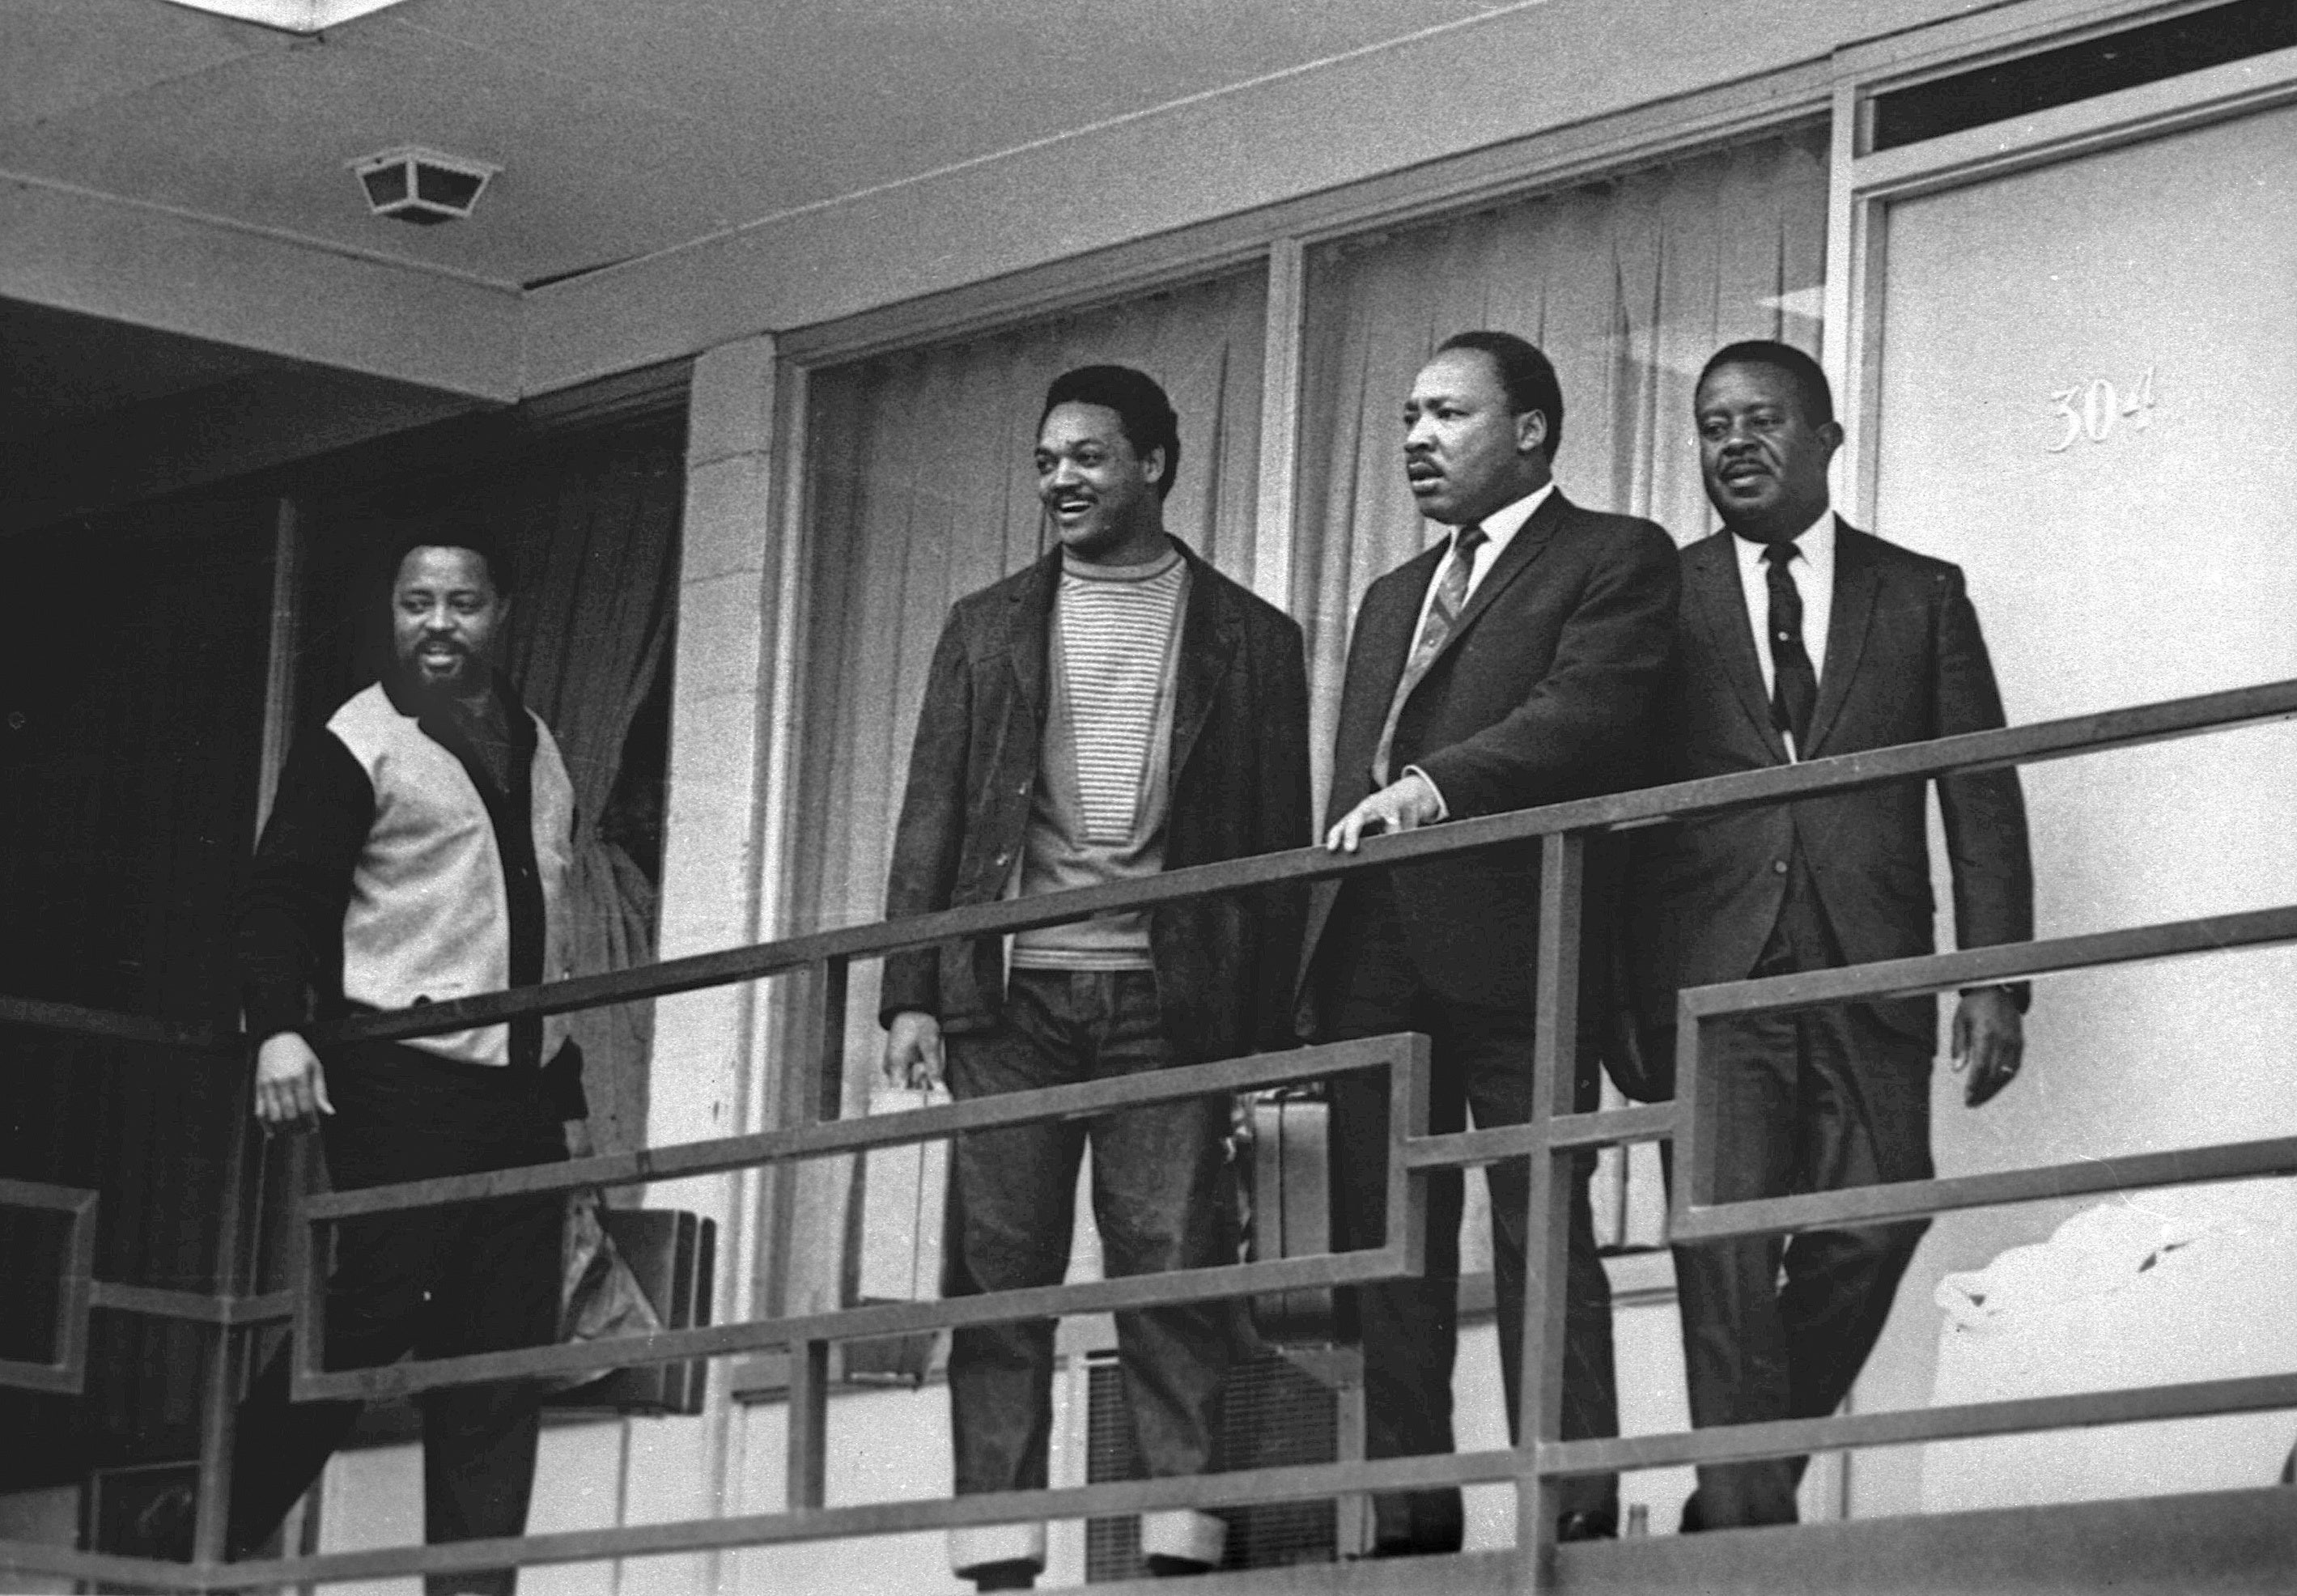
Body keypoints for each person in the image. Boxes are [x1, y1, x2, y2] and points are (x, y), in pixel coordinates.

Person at [880, 365, 1310, 1590]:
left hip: (1169, 1007)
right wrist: (911, 989)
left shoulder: (1251, 635)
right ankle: (998, 1554)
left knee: (1172, 1271)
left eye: (1087, 457)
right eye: (1045, 460)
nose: (1060, 480)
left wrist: (1263, 1034)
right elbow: (933, 813)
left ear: (1155, 465)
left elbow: (1275, 846)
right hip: (1008, 1004)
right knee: (995, 1275)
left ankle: (1179, 1542)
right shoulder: (983, 624)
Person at [1627, 339, 2032, 1530]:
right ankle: (1748, 1537)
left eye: (1759, 420)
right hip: (1711, 978)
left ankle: (1732, 1501)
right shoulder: (1662, 597)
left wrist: (1992, 979)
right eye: (1711, 426)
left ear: (1824, 439)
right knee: (1723, 1254)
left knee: (1878, 1214)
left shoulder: (1920, 593)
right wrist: (1618, 1006)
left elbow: (1977, 791)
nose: (1733, 443)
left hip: (1871, 961)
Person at [1297, 331, 1679, 1554]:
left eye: (1447, 415)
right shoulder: (1386, 597)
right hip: (1373, 954)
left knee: (1541, 1237)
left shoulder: (1613, 555)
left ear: (1528, 430)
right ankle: (1409, 1523)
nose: (1415, 438)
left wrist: (1429, 789)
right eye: (1407, 414)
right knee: (1387, 1253)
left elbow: (1585, 716)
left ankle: (1567, 1515)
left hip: (1527, 942)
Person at [189, 535, 586, 1594]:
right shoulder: (355, 740)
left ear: (501, 612)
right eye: (417, 603)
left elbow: (546, 914)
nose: (439, 623)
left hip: (523, 1090)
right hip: (404, 1074)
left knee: (497, 1363)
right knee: (370, 1318)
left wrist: (564, 1078)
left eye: (462, 601)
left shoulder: (541, 743)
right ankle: (196, 1536)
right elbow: (280, 899)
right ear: (393, 614)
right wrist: (280, 1024)